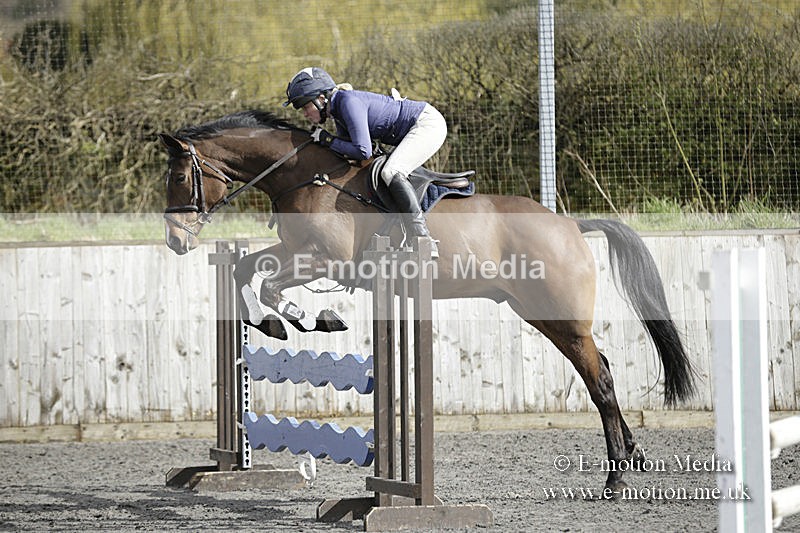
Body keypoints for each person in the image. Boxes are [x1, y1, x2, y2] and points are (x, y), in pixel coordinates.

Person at [283, 67, 445, 258]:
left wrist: (327, 140)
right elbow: (351, 154)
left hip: (427, 124)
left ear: (320, 98)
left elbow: (362, 150)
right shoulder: (338, 109)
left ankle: (421, 236)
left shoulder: (347, 102)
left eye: (305, 106)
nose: (305, 114)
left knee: (391, 172)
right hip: (413, 128)